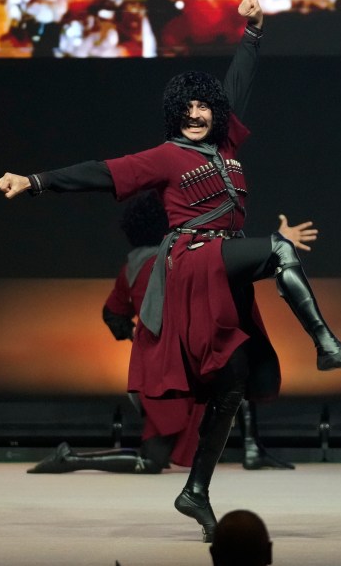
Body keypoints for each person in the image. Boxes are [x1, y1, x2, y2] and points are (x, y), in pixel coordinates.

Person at [0, 0, 341, 542]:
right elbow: (102, 172)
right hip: (195, 262)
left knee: (234, 382)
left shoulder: (226, 143)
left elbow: (238, 85)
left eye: (205, 108)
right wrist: (34, 181)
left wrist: (253, 34)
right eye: (188, 109)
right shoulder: (166, 156)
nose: (198, 115)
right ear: (176, 114)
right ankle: (327, 345)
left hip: (226, 268)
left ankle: (195, 490)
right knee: (282, 251)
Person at [28, 191, 316, 474]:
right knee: (234, 357)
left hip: (164, 368)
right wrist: (278, 241)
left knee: (153, 457)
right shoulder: (183, 257)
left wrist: (139, 337)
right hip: (188, 365)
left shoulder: (132, 268)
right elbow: (236, 262)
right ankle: (252, 449)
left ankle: (72, 460)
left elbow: (112, 313)